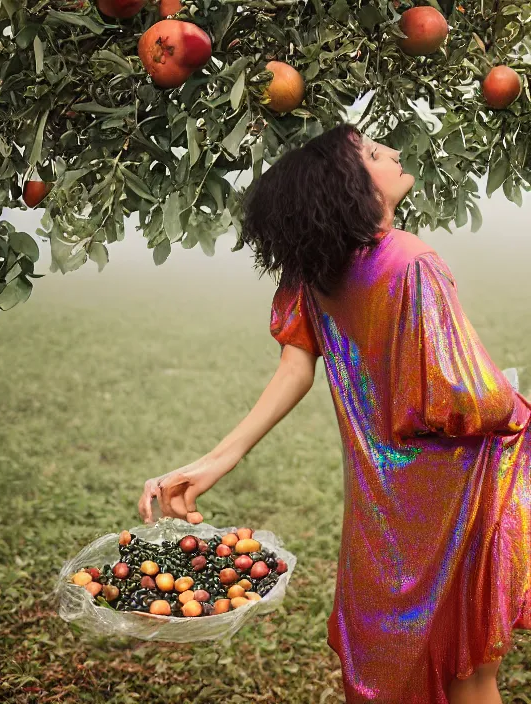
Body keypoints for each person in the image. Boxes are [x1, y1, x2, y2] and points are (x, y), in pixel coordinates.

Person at [136, 122, 531, 703]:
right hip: (453, 493)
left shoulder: (318, 276)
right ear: (353, 186)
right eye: (374, 153)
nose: (394, 152)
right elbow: (472, 399)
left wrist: (218, 460)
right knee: (469, 672)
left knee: (426, 661)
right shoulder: (412, 262)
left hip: (382, 503)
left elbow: (295, 369)